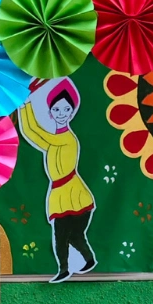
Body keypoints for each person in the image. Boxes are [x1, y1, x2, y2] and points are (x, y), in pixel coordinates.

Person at [17, 81, 97, 283]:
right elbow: (31, 132)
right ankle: (82, 262)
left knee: (67, 235)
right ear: (51, 113)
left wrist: (26, 103)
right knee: (66, 235)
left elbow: (38, 132)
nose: (62, 113)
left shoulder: (67, 139)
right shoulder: (54, 141)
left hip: (74, 194)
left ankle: (68, 267)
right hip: (61, 194)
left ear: (71, 113)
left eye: (66, 109)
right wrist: (24, 106)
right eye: (57, 109)